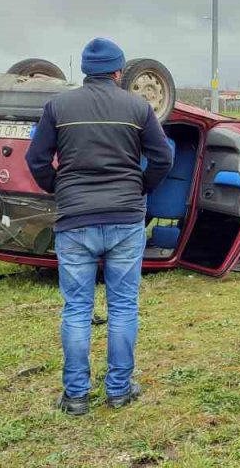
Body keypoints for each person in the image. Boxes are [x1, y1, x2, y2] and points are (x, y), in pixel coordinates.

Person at [25, 37, 173, 416]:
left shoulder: (58, 106)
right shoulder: (138, 107)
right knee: (123, 306)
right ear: (119, 72)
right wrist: (142, 186)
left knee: (76, 308)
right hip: (125, 219)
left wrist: (59, 188)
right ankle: (119, 390)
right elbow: (162, 157)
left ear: (84, 70)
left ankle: (75, 396)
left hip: (75, 221)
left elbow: (37, 159)